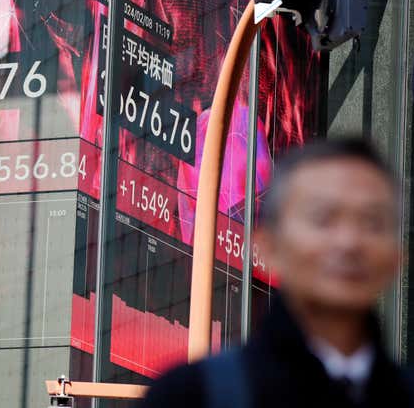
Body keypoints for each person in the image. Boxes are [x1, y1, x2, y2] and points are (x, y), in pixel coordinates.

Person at [138, 138, 412, 407]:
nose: (348, 242)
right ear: (268, 247)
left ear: (398, 257)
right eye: (322, 218)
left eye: (372, 222)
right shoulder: (190, 396)